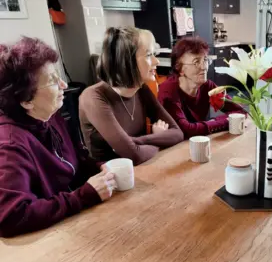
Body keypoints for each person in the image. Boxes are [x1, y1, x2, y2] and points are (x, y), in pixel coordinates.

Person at [0, 37, 116, 237]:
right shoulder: (10, 144)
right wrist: (81, 197)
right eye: (53, 81)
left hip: (72, 223)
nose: (64, 85)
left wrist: (97, 167)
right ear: (26, 100)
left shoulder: (50, 114)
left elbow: (75, 158)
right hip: (47, 240)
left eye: (59, 76)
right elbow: (11, 217)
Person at [79, 27, 183, 166]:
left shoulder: (141, 89)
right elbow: (134, 155)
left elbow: (177, 134)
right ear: (126, 61)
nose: (156, 61)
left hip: (144, 167)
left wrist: (140, 141)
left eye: (154, 54)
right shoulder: (94, 97)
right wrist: (159, 138)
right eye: (148, 55)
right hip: (110, 178)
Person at [157, 36, 246, 139]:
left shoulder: (207, 86)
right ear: (180, 68)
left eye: (205, 60)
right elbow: (186, 130)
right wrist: (217, 122)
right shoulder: (169, 91)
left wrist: (211, 123)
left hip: (199, 141)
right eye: (196, 62)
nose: (204, 67)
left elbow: (240, 112)